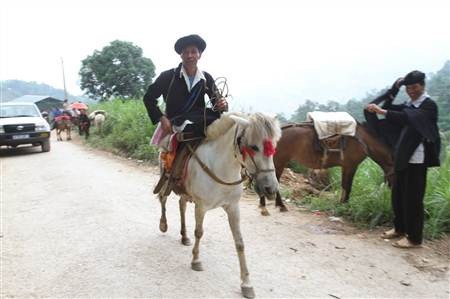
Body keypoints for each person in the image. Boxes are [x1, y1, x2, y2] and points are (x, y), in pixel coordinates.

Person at [143, 34, 228, 194]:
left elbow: (217, 103)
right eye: (186, 52)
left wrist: (222, 105)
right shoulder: (168, 77)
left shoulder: (206, 79)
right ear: (181, 55)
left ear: (199, 55)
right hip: (177, 121)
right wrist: (162, 118)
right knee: (188, 130)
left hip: (199, 120)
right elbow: (148, 98)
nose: (190, 55)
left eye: (193, 52)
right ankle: (172, 175)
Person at [365, 70, 441, 248]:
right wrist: (394, 89)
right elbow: (387, 107)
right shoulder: (409, 104)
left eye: (414, 87)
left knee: (413, 199)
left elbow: (407, 117)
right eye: (408, 88)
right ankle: (399, 228)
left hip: (418, 159)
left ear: (423, 85)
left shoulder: (428, 106)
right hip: (403, 156)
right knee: (398, 195)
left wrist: (383, 111)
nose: (411, 91)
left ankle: (414, 238)